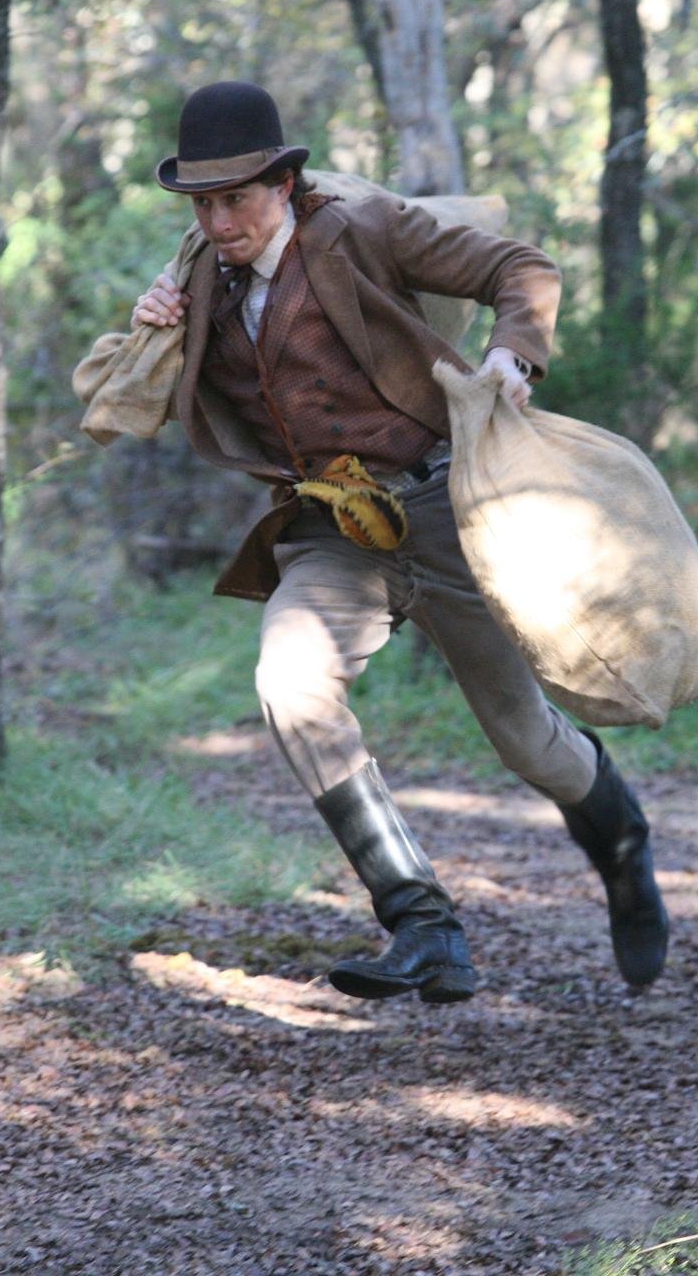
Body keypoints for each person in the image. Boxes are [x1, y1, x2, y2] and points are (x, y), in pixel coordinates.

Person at [96, 81, 668, 1004]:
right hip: (333, 527)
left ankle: (624, 845)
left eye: (234, 197)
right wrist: (155, 328)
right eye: (201, 202)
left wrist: (510, 356)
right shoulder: (198, 274)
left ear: (284, 183)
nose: (216, 218)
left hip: (446, 507)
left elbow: (521, 268)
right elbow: (142, 389)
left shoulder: (366, 227)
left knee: (527, 739)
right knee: (290, 686)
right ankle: (423, 925)